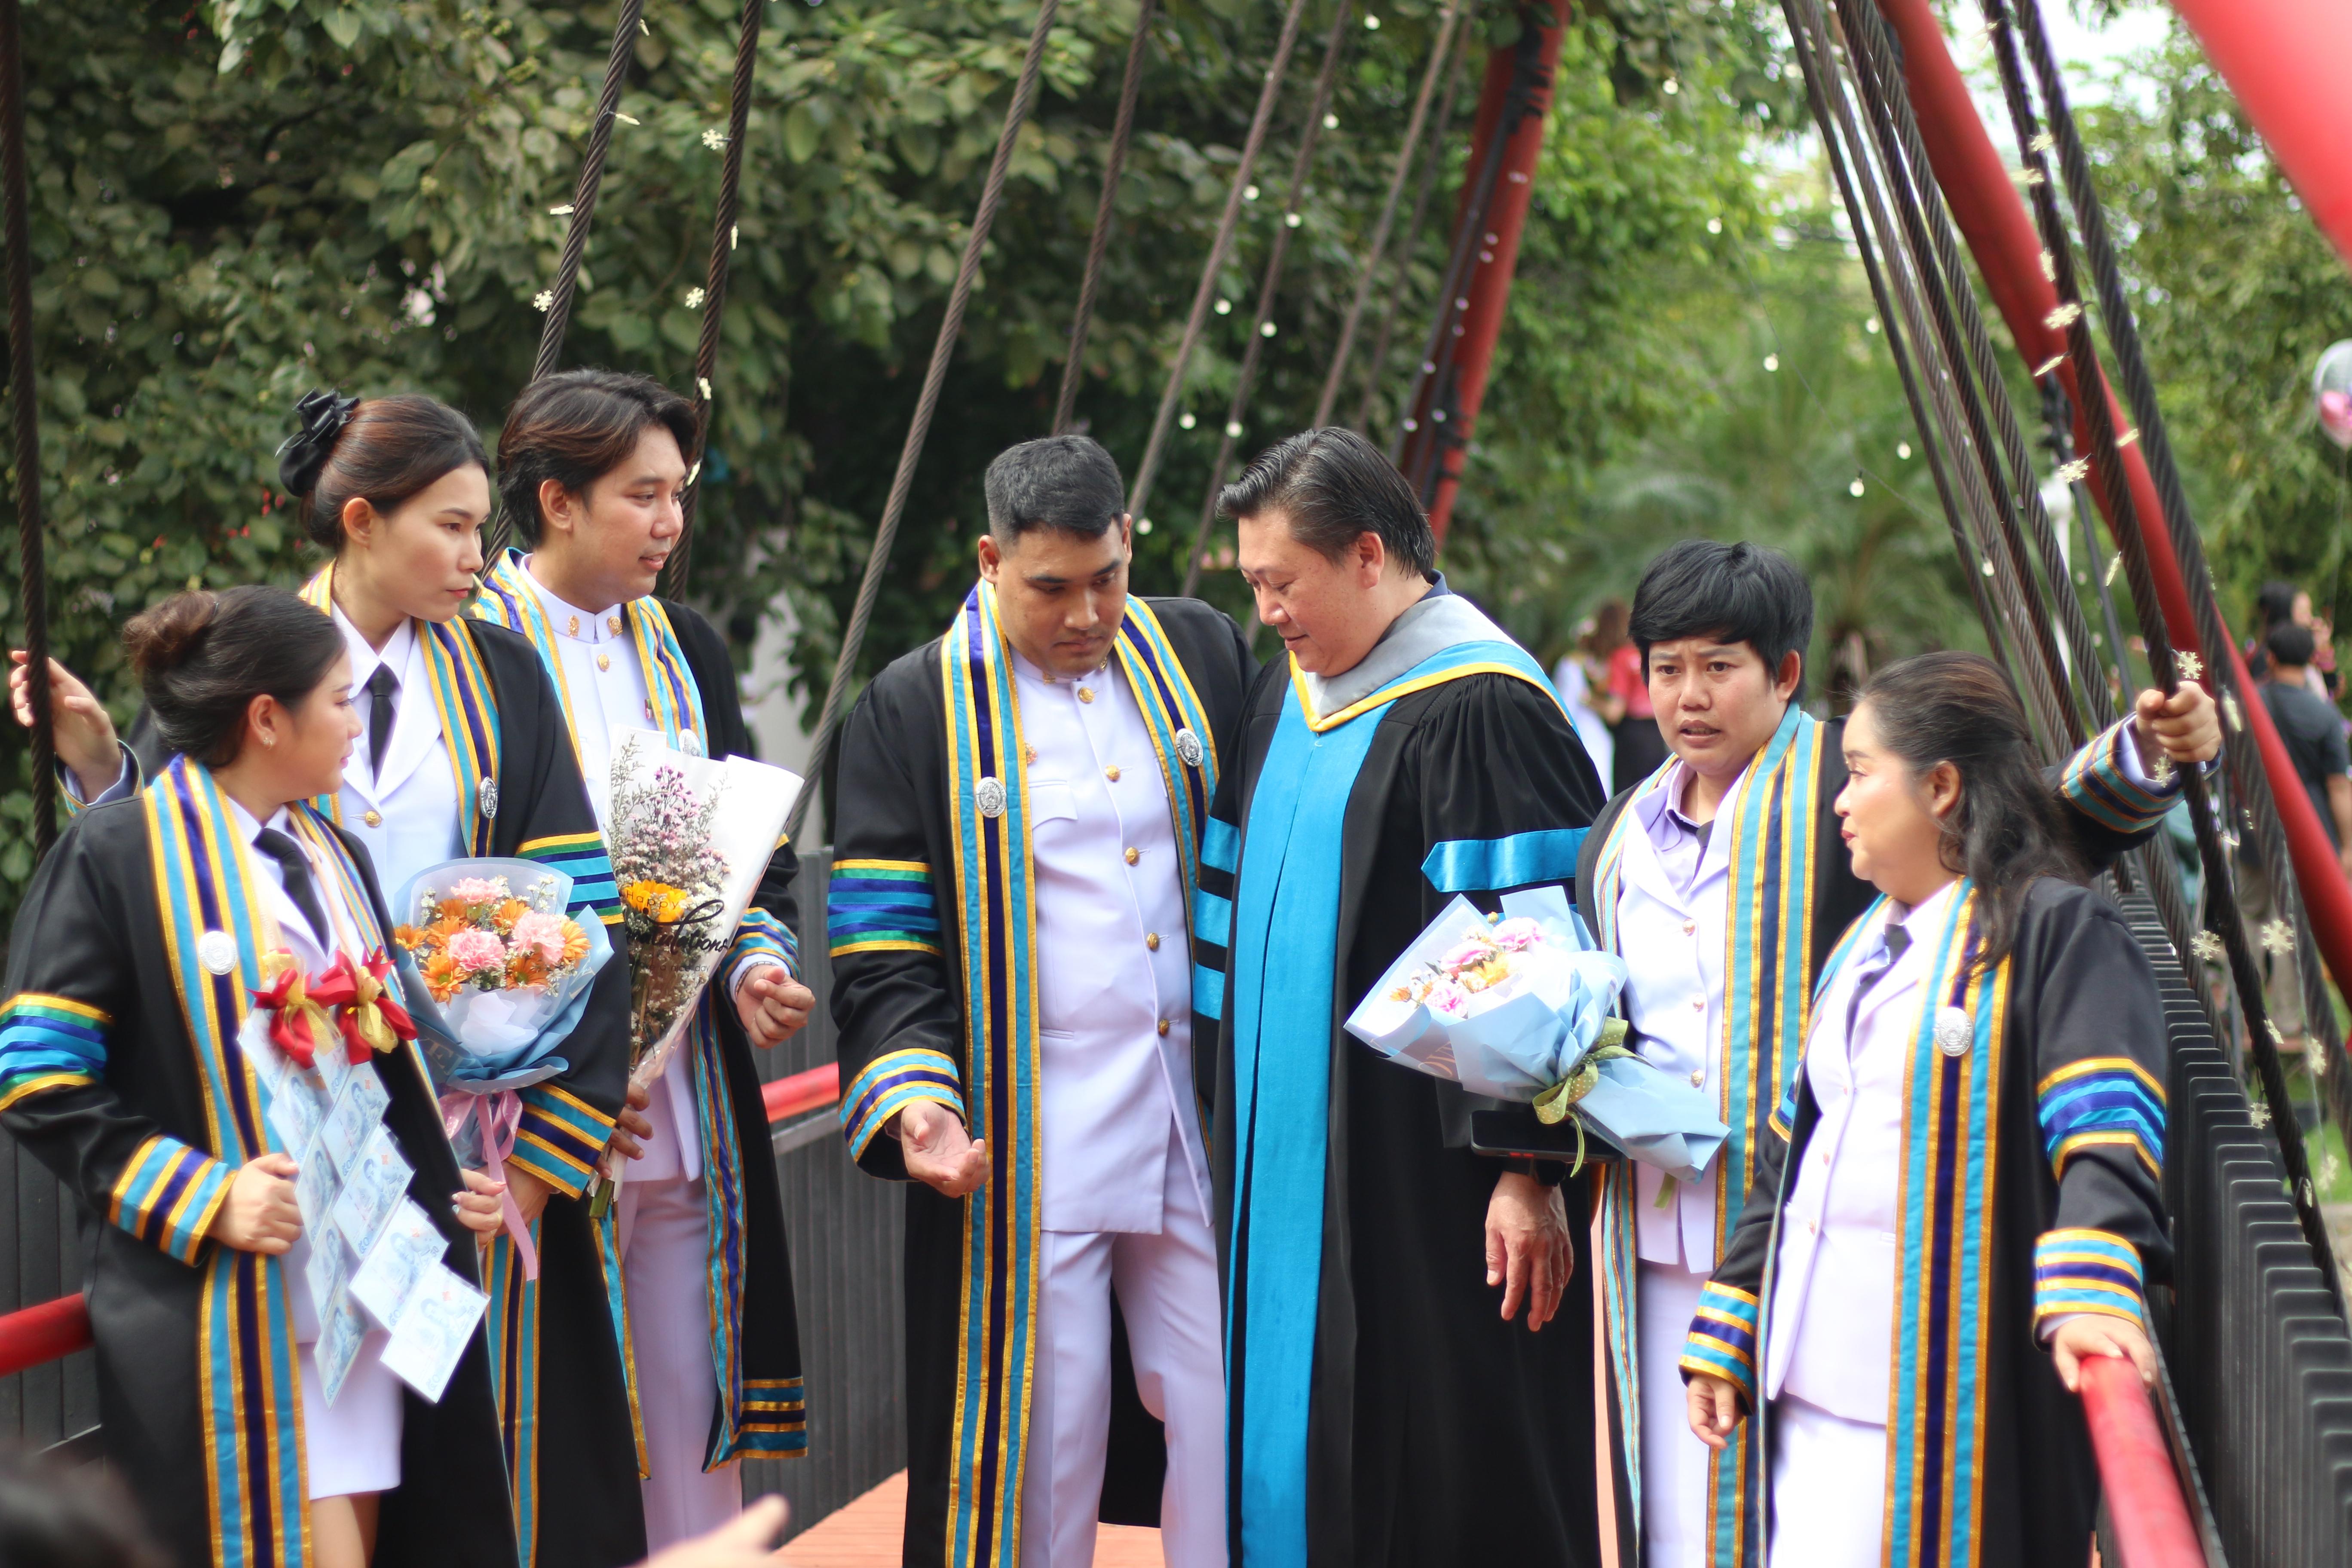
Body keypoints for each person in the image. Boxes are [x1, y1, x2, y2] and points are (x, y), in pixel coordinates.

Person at [10, 391, 647, 1568]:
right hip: (261, 1241)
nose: (480, 555)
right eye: (452, 527)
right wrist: (199, 1191)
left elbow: (580, 918)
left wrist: (538, 1147)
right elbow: (117, 947)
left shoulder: (461, 713)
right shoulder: (217, 733)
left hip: (432, 1194)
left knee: (465, 1505)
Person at [1574, 540, 2215, 1568]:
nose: (1687, 696)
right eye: (1664, 667)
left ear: (1783, 674)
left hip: (1915, 1311)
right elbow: (1797, 1129)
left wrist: (2148, 752)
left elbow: (2034, 818)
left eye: (1717, 665)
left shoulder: (1881, 807)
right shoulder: (1618, 837)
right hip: (1682, 1256)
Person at [0, 587, 515, 1568]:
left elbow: (373, 1064)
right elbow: (36, 1076)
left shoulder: (331, 850)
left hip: (362, 1297)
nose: (358, 720)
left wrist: (448, 1186)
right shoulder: (118, 852)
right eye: (340, 699)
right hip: (233, 1306)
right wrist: (206, 1194)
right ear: (266, 717)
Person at [827, 435, 1251, 1568]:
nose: (1087, 613)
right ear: (989, 560)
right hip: (1032, 1144)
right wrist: (918, 1101)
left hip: (1194, 1120)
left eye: (1106, 577)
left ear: (1130, 545)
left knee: (1232, 1414)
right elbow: (881, 940)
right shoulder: (912, 710)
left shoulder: (1202, 650)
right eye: (1051, 588)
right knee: (1037, 1448)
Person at [1194, 428, 1607, 1567]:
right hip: (1273, 1173)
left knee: (1442, 1466)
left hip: (1421, 1197)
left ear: (1367, 554)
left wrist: (1527, 1173)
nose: (1268, 611)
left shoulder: (1483, 708)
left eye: (1283, 582)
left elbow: (1539, 953)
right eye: (1256, 586)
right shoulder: (1286, 705)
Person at [1682, 651, 2170, 1568]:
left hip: (1945, 1407)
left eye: (1861, 773)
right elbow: (1794, 1155)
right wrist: (1735, 1311)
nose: (1840, 800)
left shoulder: (2055, 929)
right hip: (1809, 1396)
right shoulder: (1865, 940)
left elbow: (2106, 1124)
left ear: (1942, 787)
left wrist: (2099, 1278)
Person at [470, 368, 811, 1552]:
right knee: (551, 1420)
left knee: (690, 1406)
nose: (671, 521)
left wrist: (755, 960)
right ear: (557, 502)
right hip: (527, 1111)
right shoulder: (475, 652)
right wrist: (560, 1084)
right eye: (644, 495)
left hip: (688, 1093)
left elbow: (730, 858)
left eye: (680, 493)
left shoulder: (687, 650)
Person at [2236, 620, 2352, 1048]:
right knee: (2286, 925)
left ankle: (2241, 1017)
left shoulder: (2250, 706)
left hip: (2252, 829)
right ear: (2309, 663)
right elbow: (2339, 786)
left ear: (2270, 657)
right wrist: (2348, 845)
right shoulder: (2324, 715)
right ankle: (2285, 1024)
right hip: (2306, 838)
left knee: (2247, 917)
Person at [1551, 615, 1615, 787]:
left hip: (1596, 729)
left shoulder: (1599, 665)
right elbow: (1568, 700)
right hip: (1579, 725)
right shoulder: (1570, 664)